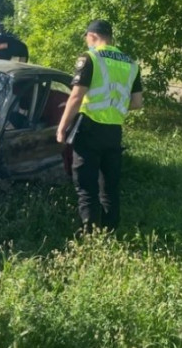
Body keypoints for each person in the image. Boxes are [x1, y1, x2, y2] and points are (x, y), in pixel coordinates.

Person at [56, 19, 143, 232]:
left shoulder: (91, 57)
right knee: (110, 185)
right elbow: (137, 103)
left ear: (92, 36)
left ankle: (91, 234)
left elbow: (76, 97)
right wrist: (113, 107)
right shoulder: (131, 64)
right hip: (114, 131)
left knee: (86, 186)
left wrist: (61, 128)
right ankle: (111, 229)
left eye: (87, 38)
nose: (87, 42)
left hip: (89, 128)